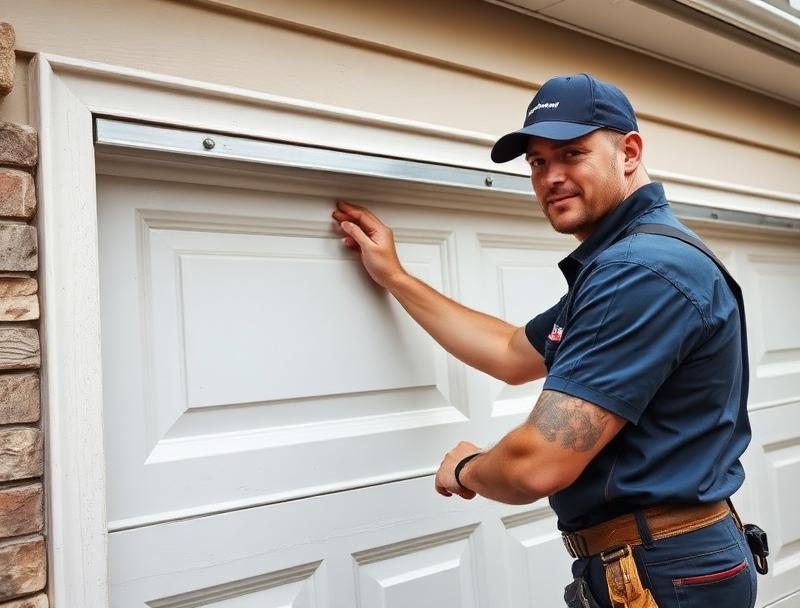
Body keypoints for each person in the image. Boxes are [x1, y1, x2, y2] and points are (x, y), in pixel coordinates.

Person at [331, 73, 758, 608]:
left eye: (571, 154)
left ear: (629, 152)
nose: (551, 176)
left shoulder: (639, 271)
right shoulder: (634, 258)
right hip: (671, 561)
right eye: (537, 162)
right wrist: (396, 276)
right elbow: (512, 352)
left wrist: (467, 468)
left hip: (664, 571)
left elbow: (539, 463)